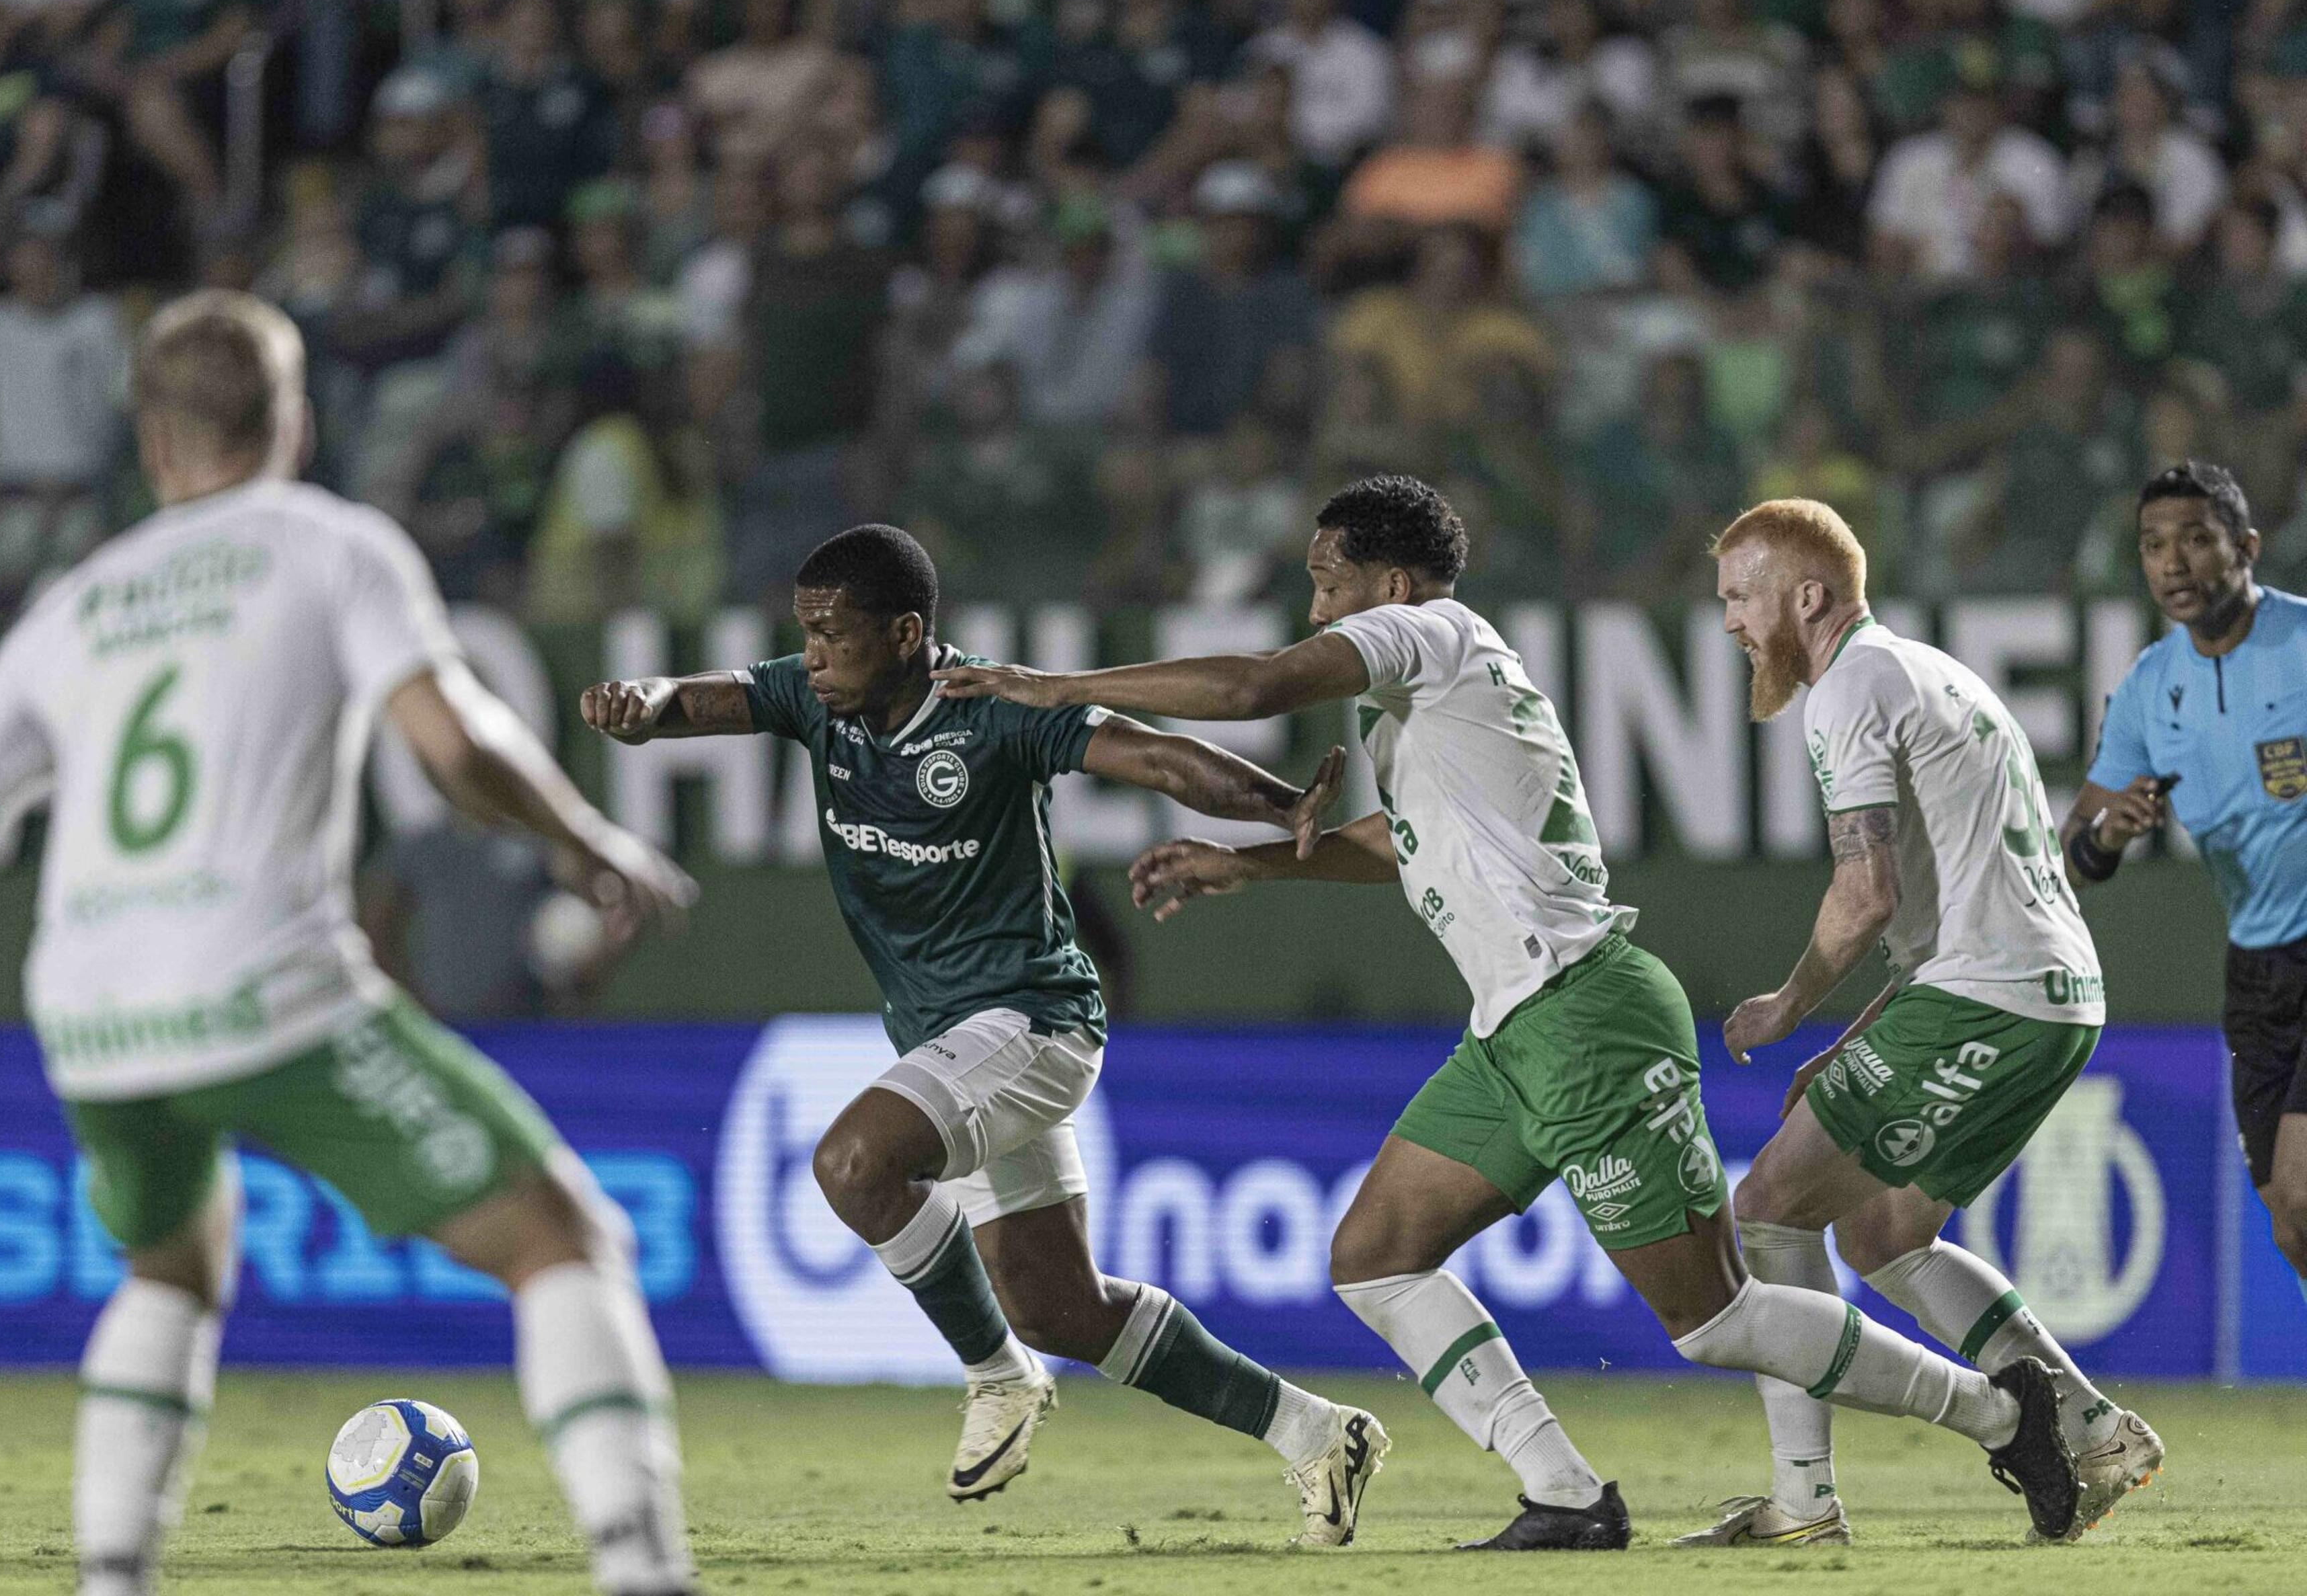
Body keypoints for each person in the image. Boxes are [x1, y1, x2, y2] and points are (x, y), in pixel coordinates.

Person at [937, 476, 2084, 1550]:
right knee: (1376, 1257)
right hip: (1514, 1033)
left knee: (1713, 1320)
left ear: (1387, 583)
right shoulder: (1428, 705)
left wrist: (1056, 686)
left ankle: (2000, 1415)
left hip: (1587, 1012)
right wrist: (1254, 867)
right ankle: (1566, 1493)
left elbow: (1252, 688)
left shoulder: (1427, 632)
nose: (1315, 604)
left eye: (1326, 580)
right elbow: (1406, 842)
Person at [0, 292, 703, 1596]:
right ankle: (646, 1568)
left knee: (172, 1265)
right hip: (262, 983)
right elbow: (455, 744)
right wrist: (592, 842)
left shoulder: (80, 600)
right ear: (298, 423)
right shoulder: (331, 546)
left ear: (150, 441)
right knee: (560, 1239)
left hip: (90, 1018)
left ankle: (111, 1572)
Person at [580, 524, 1389, 1544]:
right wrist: (643, 705)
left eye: (834, 634)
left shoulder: (992, 712)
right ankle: (1319, 1433)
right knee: (1062, 1307)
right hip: (952, 1036)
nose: (814, 654)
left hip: (1034, 1022)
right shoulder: (811, 697)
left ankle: (997, 1377)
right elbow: (702, 698)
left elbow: (1154, 758)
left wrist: (1280, 806)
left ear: (909, 631)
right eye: (806, 634)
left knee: (853, 1164)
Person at [1706, 498, 2159, 1546]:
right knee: (1885, 1231)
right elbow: (1941, 911)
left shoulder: (1847, 690)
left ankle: (1805, 1500)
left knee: (1770, 1207)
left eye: (1740, 596)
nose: (1729, 621)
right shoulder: (1935, 671)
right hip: (2046, 996)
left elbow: (1863, 896)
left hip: (1986, 998)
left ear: (1806, 595)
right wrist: (1856, 1038)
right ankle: (2093, 1426)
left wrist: (1787, 1004)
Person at [2066, 463, 2307, 1289]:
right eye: (2155, 545)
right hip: (2259, 968)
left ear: (2244, 547)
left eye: (2197, 540)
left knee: (2305, 1192)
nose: (2174, 563)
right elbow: (2071, 858)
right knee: (2287, 1214)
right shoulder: (2145, 691)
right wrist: (2110, 833)